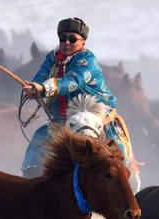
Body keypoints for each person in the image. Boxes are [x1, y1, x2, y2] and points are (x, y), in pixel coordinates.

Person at [21, 17, 132, 177]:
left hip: (97, 121)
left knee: (115, 163)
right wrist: (34, 88)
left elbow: (73, 81)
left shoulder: (88, 60)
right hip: (61, 123)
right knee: (39, 139)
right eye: (63, 38)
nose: (67, 42)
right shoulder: (51, 58)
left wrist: (44, 88)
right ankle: (31, 179)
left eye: (72, 39)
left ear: (83, 43)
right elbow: (41, 76)